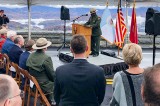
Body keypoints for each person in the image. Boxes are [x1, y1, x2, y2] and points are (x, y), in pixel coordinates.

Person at [54, 35, 106, 106]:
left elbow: (56, 96)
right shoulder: (99, 71)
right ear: (87, 48)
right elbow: (100, 97)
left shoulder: (60, 71)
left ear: (71, 50)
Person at [26, 37, 55, 105]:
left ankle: (50, 100)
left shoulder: (31, 55)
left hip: (35, 83)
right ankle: (53, 101)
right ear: (45, 47)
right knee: (59, 82)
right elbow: (51, 75)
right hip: (44, 85)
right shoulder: (46, 58)